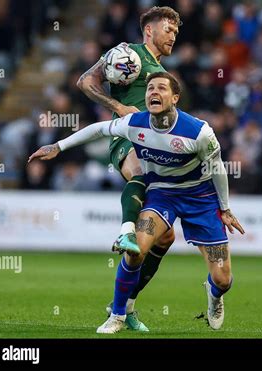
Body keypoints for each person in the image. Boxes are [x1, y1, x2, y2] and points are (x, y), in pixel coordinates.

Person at [28, 72, 245, 333]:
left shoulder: (199, 132)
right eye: (150, 87)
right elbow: (98, 129)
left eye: (162, 88)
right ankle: (117, 314)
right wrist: (58, 146)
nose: (154, 92)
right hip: (161, 195)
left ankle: (214, 294)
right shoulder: (134, 123)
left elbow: (218, 168)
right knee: (135, 250)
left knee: (223, 279)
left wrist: (226, 208)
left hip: (200, 197)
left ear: (175, 98)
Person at [75, 6, 181, 332]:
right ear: (149, 30)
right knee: (138, 173)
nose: (173, 35)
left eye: (176, 31)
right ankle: (125, 231)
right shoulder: (127, 55)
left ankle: (126, 306)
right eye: (168, 29)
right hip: (127, 138)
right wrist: (117, 107)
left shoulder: (161, 72)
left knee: (164, 238)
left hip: (159, 146)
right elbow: (85, 80)